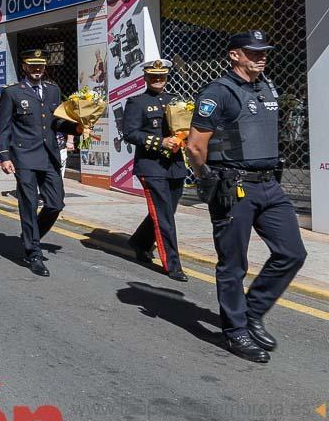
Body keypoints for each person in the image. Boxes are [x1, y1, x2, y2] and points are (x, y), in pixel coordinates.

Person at [186, 30, 307, 364]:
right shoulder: (218, 91)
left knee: (292, 253)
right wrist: (206, 179)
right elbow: (195, 145)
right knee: (233, 263)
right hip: (233, 186)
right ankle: (236, 330)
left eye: (264, 52)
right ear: (234, 55)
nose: (261, 57)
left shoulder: (267, 87)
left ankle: (251, 312)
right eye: (253, 52)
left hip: (270, 185)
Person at [0, 49, 84, 278]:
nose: (37, 69)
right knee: (29, 203)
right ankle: (33, 252)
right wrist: (5, 156)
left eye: (41, 65)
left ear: (45, 67)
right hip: (24, 156)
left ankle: (30, 235)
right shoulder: (12, 92)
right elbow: (3, 128)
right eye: (32, 65)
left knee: (55, 203)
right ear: (24, 66)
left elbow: (56, 122)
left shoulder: (53, 90)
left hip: (49, 155)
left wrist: (76, 128)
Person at [123, 59, 189, 283]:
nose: (158, 80)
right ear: (145, 78)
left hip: (175, 165)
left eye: (161, 76)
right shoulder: (137, 102)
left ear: (167, 77)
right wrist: (160, 142)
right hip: (151, 166)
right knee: (164, 216)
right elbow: (130, 133)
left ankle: (140, 242)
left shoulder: (176, 100)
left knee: (167, 211)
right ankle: (173, 264)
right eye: (153, 76)